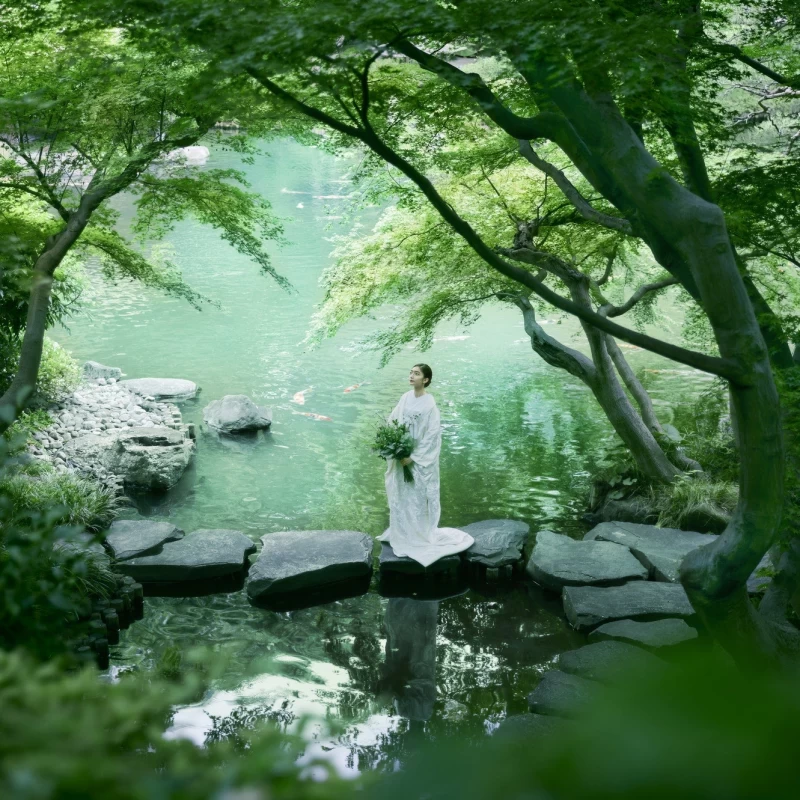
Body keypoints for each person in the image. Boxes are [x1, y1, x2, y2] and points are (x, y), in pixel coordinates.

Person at [378, 363, 474, 566]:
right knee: (402, 494)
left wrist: (413, 457)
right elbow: (392, 421)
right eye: (411, 372)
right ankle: (402, 532)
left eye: (416, 373)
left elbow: (432, 435)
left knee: (417, 496)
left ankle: (418, 534)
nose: (411, 376)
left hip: (418, 459)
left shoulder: (430, 404)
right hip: (401, 455)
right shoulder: (405, 397)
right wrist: (394, 446)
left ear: (426, 380)